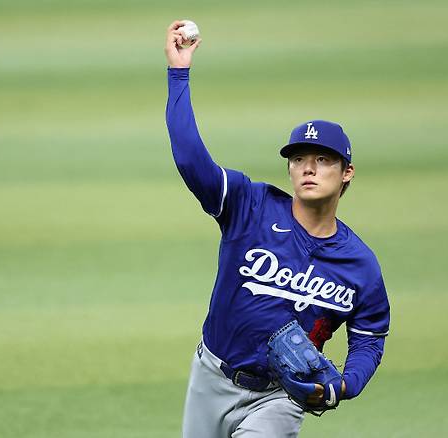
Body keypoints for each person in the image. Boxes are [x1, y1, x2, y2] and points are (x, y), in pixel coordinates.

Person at [164, 21, 391, 438]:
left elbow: (370, 338)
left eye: (323, 159)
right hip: (210, 377)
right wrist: (179, 74)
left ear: (347, 173)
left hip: (279, 400)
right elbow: (190, 159)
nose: (308, 166)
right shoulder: (249, 205)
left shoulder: (359, 264)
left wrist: (344, 385)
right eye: (300, 157)